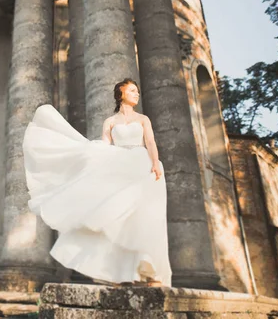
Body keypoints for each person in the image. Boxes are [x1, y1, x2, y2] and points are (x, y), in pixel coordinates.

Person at [23, 78, 172, 286]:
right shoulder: (110, 122)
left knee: (144, 217)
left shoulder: (143, 119)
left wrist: (155, 163)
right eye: (132, 90)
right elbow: (105, 147)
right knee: (116, 217)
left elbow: (150, 142)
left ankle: (149, 269)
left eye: (137, 91)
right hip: (120, 167)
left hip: (141, 165)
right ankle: (122, 273)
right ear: (120, 94)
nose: (137, 94)